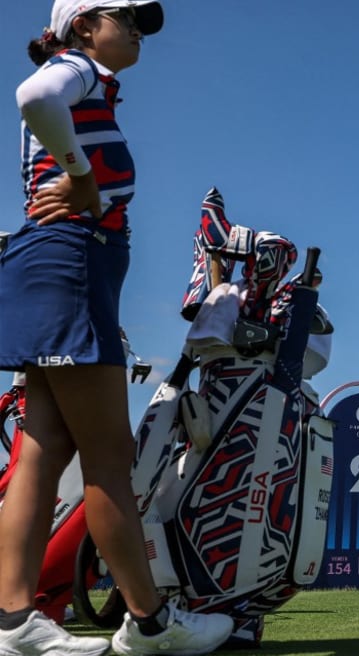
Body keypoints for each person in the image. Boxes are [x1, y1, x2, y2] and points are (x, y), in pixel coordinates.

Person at [0, 3, 235, 655]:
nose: (136, 29)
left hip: (55, 266)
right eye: (125, 15)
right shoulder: (71, 68)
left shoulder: (89, 80)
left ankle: (14, 624)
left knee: (42, 452)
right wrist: (80, 175)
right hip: (69, 262)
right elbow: (34, 94)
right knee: (108, 457)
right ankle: (152, 624)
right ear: (83, 25)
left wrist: (81, 177)